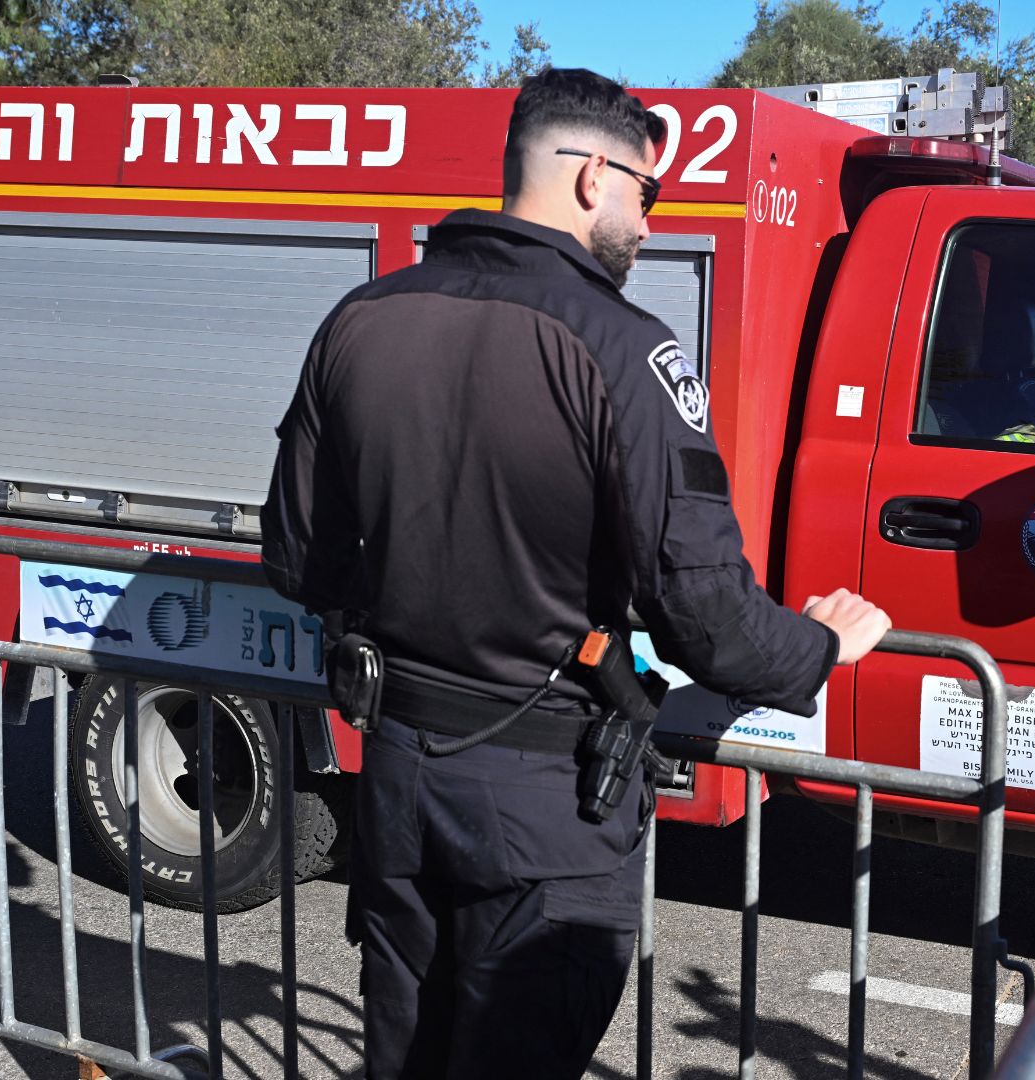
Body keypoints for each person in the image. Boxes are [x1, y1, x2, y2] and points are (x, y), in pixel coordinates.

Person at [260, 67, 890, 1079]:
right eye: (649, 193)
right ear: (595, 175)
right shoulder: (624, 350)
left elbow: (296, 555)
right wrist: (821, 645)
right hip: (546, 802)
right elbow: (707, 617)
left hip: (399, 777)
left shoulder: (360, 318)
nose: (648, 223)